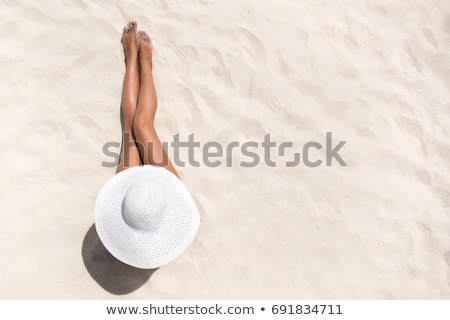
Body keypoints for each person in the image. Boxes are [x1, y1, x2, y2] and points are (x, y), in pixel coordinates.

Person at [116, 20, 179, 178]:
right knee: (142, 123)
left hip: (135, 200)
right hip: (165, 198)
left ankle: (132, 58)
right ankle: (145, 64)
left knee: (132, 127)